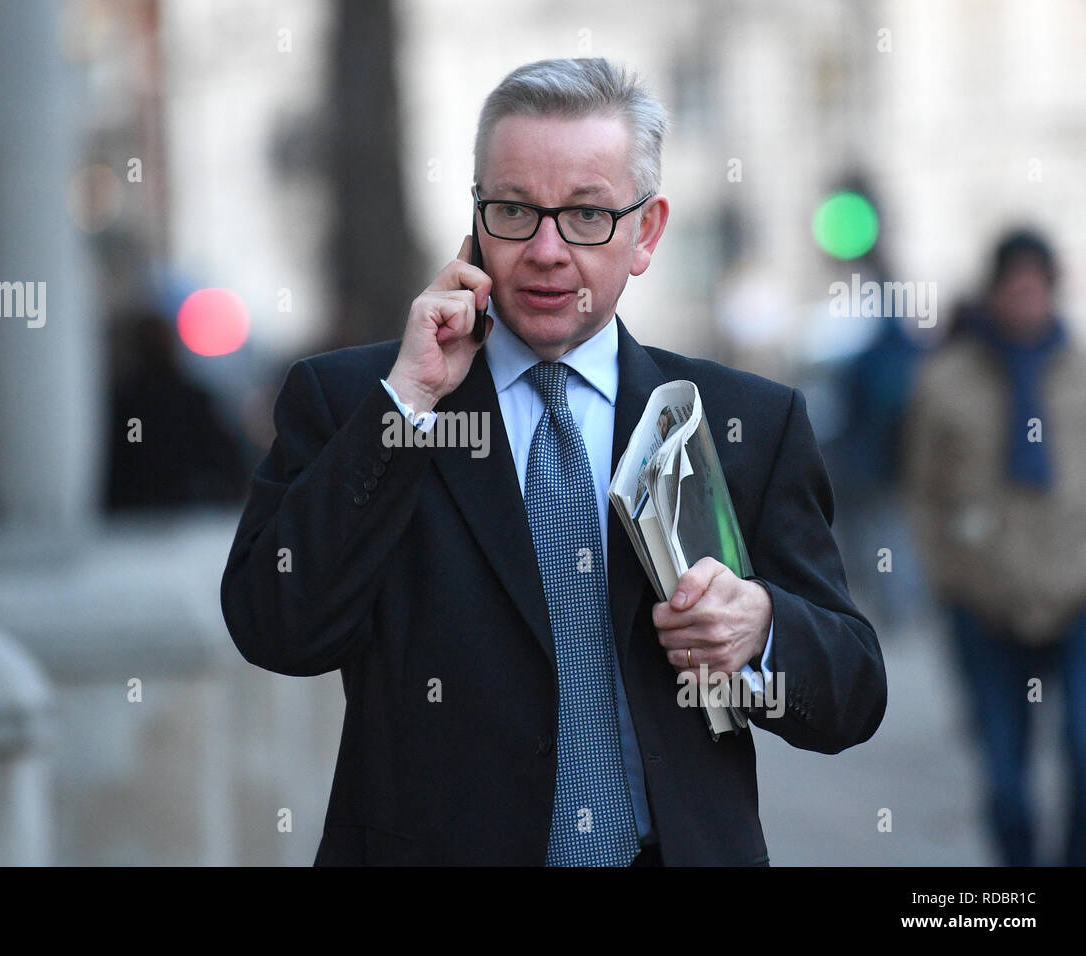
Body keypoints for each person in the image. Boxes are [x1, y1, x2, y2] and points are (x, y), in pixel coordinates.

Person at [222, 58, 886, 866]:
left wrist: (761, 628)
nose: (545, 250)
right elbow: (276, 627)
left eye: (586, 215)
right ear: (474, 221)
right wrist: (405, 407)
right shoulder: (360, 403)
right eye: (514, 210)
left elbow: (852, 694)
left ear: (646, 232)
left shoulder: (747, 420)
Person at [903, 230, 1086, 866]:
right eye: (1016, 288)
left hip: (1074, 595)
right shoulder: (947, 379)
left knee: (1083, 754)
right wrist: (947, 580)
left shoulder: (1078, 373)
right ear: (995, 291)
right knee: (1006, 778)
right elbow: (922, 492)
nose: (1027, 301)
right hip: (984, 602)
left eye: (1038, 288)